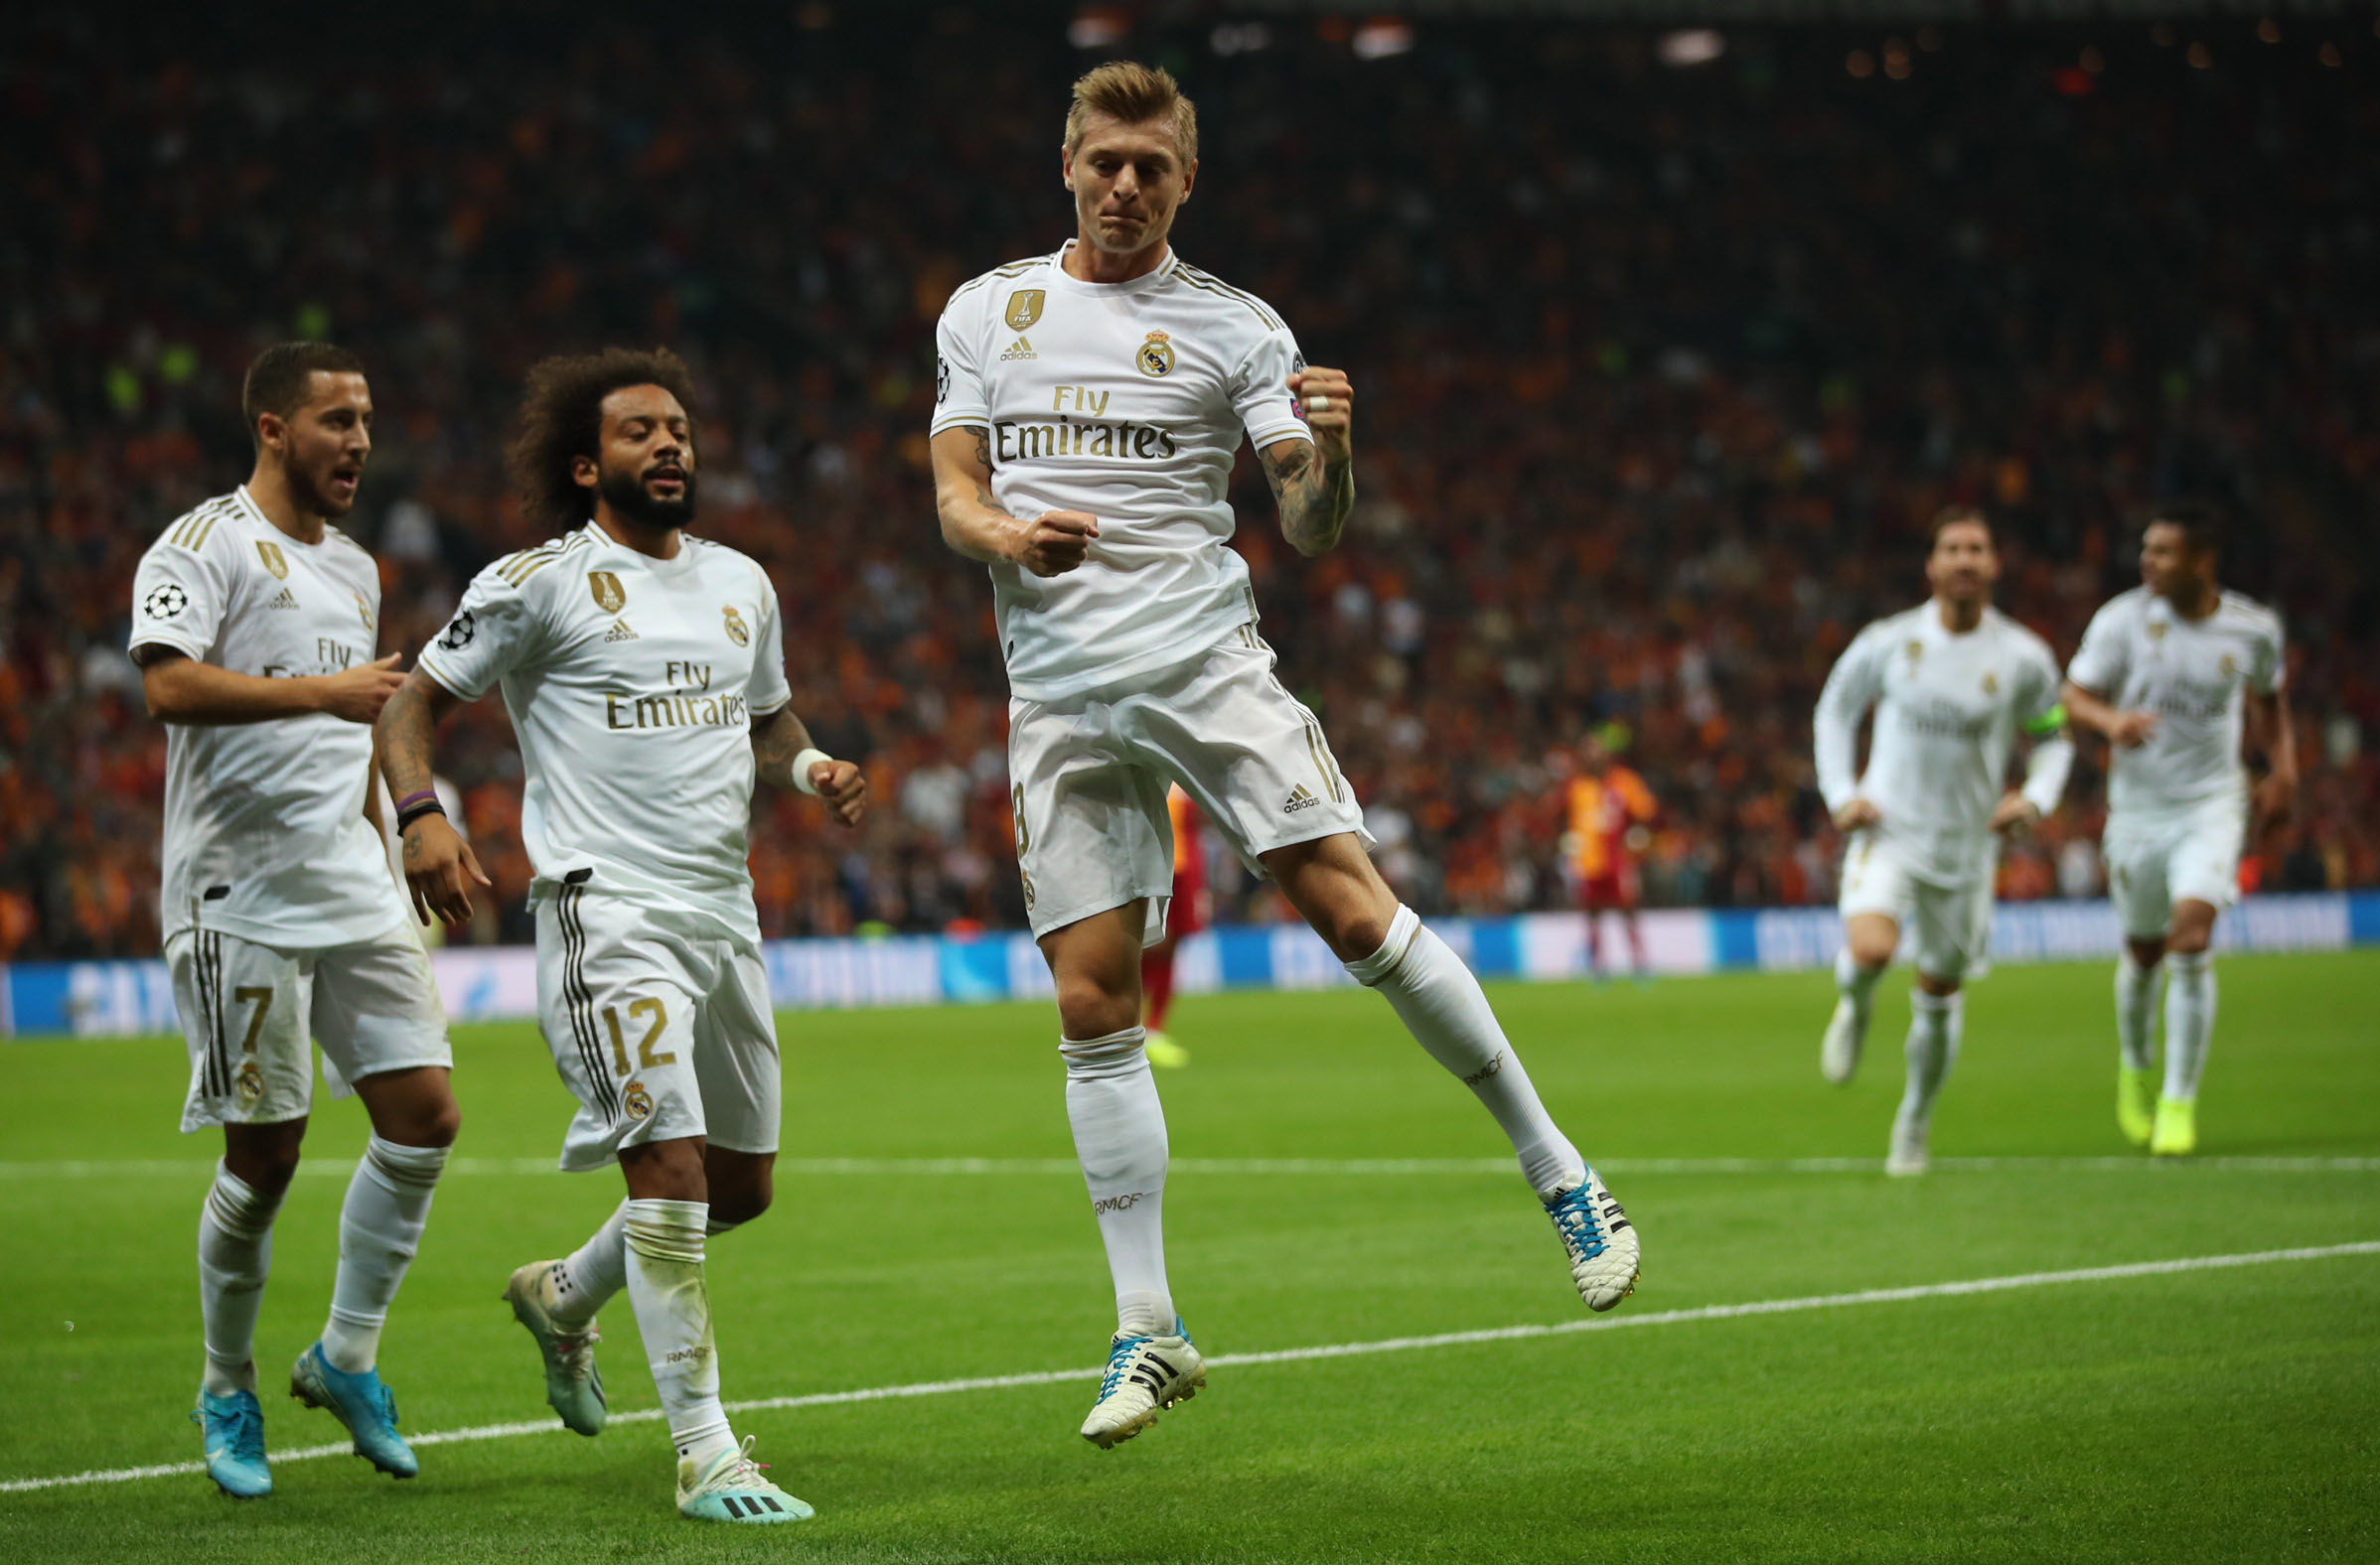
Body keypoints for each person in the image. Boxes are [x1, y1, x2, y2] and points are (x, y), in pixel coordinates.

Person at [929, 62, 1637, 1451]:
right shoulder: (986, 310)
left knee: (1353, 911)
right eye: (1105, 160)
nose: (1125, 185)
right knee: (1090, 1003)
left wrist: (1332, 454)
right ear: (1065, 163)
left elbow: (1311, 525)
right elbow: (954, 490)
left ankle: (1560, 1168)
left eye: (1152, 166)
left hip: (1205, 669)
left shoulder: (1237, 329)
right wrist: (1009, 537)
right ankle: (1151, 1329)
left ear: (1188, 181)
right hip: (1060, 697)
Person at [375, 348, 867, 1524]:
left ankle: (563, 1292)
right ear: (588, 463)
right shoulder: (537, 581)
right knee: (669, 1168)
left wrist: (810, 763)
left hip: (720, 911)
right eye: (642, 431)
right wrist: (420, 815)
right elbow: (409, 706)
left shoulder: (741, 582)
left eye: (680, 429)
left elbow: (767, 714)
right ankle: (705, 1452)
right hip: (606, 911)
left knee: (739, 1190)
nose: (671, 446)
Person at [128, 343, 460, 1498]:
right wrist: (323, 692)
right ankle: (228, 1383)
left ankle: (346, 1354)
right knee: (264, 1158)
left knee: (425, 1118)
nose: (359, 440)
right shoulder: (202, 544)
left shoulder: (358, 568)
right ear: (272, 428)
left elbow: (361, 728)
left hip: (351, 881)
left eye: (366, 418)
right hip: (239, 894)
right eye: (334, 420)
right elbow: (166, 686)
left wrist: (401, 833)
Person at [1812, 508, 2072, 1175]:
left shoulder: (2023, 657)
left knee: (1938, 993)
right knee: (1871, 949)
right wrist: (1843, 794)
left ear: (1993, 566)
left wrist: (2035, 798)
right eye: (1952, 548)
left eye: (1976, 549)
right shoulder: (1890, 641)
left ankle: (1914, 1121)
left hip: (1966, 849)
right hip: (1889, 831)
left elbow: (2052, 739)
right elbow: (1835, 710)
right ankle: (1857, 1000)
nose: (1964, 559)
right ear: (1930, 565)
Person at [2060, 502, 2293, 1156]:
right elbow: (2071, 694)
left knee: (2191, 938)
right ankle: (2135, 1069)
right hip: (2137, 811)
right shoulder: (2121, 620)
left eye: (2163, 551)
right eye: (2146, 548)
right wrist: (2111, 724)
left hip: (2211, 807)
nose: (2147, 561)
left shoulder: (2251, 630)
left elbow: (2271, 704)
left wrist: (2285, 772)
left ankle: (2178, 1102)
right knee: (2142, 952)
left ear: (2201, 561)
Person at [1562, 732, 1657, 982]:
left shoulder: (1624, 782)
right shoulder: (1578, 788)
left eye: (1596, 752)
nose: (1592, 757)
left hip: (1617, 861)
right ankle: (1597, 968)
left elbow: (1646, 811)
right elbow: (1571, 825)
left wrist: (1637, 836)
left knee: (1628, 912)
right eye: (1588, 752)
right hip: (1589, 863)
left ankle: (1641, 964)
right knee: (1592, 916)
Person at [1138, 784, 1206, 1067]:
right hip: (1153, 871)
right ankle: (1136, 1027)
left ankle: (1153, 1029)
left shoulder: (1183, 774)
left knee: (1171, 947)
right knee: (1151, 947)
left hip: (1186, 871)